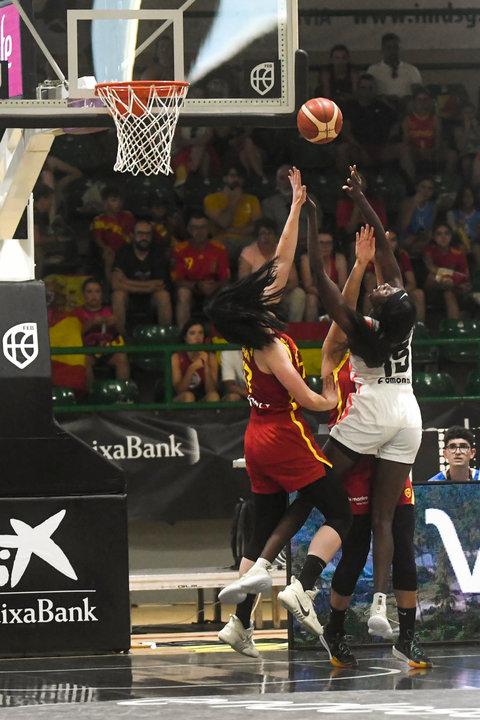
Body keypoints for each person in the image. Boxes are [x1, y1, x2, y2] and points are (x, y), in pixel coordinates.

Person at [206, 168, 352, 658]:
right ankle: (302, 585)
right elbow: (305, 398)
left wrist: (294, 206)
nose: (275, 282)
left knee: (269, 520)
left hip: (254, 438)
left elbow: (283, 261)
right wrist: (329, 399)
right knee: (338, 510)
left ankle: (239, 623)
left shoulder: (253, 329)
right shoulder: (270, 343)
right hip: (284, 433)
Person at [307, 165, 422, 642]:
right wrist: (362, 199)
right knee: (377, 526)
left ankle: (300, 578)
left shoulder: (361, 331)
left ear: (378, 307)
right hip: (407, 416)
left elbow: (324, 285)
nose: (385, 282)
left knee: (319, 482)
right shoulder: (403, 321)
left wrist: (314, 223)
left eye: (384, 287)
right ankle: (368, 611)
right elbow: (390, 260)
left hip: (374, 417)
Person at [319, 283, 431, 669]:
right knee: (355, 551)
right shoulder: (351, 361)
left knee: (403, 542)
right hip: (358, 461)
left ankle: (407, 638)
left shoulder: (396, 353)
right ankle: (333, 630)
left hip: (393, 460)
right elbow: (333, 336)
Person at [335, 73, 408, 180]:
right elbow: (346, 132)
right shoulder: (350, 107)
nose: (366, 91)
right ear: (358, 89)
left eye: (370, 88)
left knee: (403, 149)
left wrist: (389, 138)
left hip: (381, 148)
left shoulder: (383, 107)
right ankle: (344, 184)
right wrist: (361, 149)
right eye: (363, 88)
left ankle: (411, 186)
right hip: (357, 148)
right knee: (342, 149)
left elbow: (396, 123)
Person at [110, 218, 172, 335]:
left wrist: (126, 282)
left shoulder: (158, 252)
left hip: (151, 299)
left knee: (163, 295)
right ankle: (120, 340)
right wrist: (148, 287)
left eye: (148, 234)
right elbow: (115, 283)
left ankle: (166, 338)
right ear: (132, 235)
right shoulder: (123, 251)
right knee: (118, 295)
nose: (144, 237)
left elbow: (160, 284)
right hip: (129, 298)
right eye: (140, 233)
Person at [238, 218, 306, 322]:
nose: (266, 237)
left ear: (276, 237)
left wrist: (276, 293)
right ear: (257, 237)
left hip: (281, 293)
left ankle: (294, 330)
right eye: (262, 234)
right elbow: (243, 282)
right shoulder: (248, 252)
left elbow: (294, 281)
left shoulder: (283, 250)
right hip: (256, 295)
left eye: (270, 233)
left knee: (299, 294)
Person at [171, 211, 230, 329]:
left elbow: (225, 278)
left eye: (203, 227)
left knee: (226, 291)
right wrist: (197, 286)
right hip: (191, 289)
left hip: (213, 289)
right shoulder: (180, 250)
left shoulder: (219, 249)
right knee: (183, 293)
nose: (199, 231)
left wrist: (214, 286)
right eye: (195, 228)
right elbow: (177, 281)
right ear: (188, 229)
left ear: (208, 229)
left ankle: (224, 335)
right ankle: (184, 336)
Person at [71, 277, 130, 390]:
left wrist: (116, 322)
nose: (94, 295)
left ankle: (123, 392)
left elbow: (123, 332)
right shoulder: (78, 312)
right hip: (88, 351)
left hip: (109, 348)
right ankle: (92, 394)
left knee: (122, 357)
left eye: (97, 291)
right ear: (83, 295)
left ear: (102, 294)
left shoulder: (109, 310)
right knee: (84, 360)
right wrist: (90, 324)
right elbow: (74, 334)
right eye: (89, 292)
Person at [204, 165, 262, 270]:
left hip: (246, 241)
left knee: (261, 245)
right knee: (217, 249)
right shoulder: (212, 199)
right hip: (222, 241)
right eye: (232, 176)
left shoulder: (252, 199)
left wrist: (232, 230)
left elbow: (256, 227)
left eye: (239, 177)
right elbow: (224, 223)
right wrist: (234, 201)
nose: (236, 180)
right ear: (224, 178)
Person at [362, 229, 425, 322]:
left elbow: (412, 282)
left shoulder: (402, 255)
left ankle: (419, 328)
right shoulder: (372, 256)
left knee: (419, 294)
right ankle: (369, 326)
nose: (389, 244)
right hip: (380, 292)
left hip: (398, 290)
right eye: (386, 240)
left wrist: (397, 294)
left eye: (393, 240)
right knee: (367, 296)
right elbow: (369, 286)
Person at [401, 86, 457, 183]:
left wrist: (431, 151)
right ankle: (412, 184)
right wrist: (418, 151)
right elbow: (406, 142)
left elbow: (438, 141)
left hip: (432, 151)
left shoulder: (436, 120)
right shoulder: (407, 120)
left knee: (452, 154)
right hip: (414, 152)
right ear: (414, 102)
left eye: (425, 99)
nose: (422, 103)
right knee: (406, 154)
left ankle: (446, 183)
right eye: (419, 99)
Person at [422, 223, 471, 319]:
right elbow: (431, 268)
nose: (443, 237)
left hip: (453, 288)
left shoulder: (458, 254)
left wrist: (452, 281)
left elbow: (465, 276)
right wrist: (448, 278)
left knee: (448, 291)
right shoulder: (428, 251)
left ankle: (453, 325)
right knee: (431, 277)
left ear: (451, 236)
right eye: (439, 234)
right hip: (433, 289)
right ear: (433, 237)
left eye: (446, 234)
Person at [299, 229, 347, 321]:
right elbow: (308, 287)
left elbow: (343, 285)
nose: (325, 247)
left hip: (335, 295)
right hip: (317, 295)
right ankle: (311, 332)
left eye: (328, 243)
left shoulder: (339, 259)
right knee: (311, 299)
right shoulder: (306, 259)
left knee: (342, 298)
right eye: (321, 243)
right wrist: (326, 293)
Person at [90, 184, 135, 282]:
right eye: (114, 200)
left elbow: (132, 234)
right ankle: (110, 285)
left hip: (126, 249)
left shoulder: (128, 216)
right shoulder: (99, 220)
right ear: (105, 202)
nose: (118, 204)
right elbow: (98, 239)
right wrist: (105, 248)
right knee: (109, 256)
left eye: (120, 200)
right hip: (110, 250)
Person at [366, 33, 423, 109]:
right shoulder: (373, 70)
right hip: (381, 109)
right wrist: (384, 98)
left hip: (406, 109)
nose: (393, 51)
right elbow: (367, 94)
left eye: (396, 47)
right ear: (382, 50)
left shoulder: (412, 70)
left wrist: (408, 98)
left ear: (400, 49)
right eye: (389, 48)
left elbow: (419, 94)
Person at [171, 319, 220, 403]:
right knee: (189, 397)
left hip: (202, 397)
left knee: (214, 396)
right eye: (192, 333)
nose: (197, 337)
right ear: (185, 337)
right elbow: (179, 391)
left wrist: (206, 367)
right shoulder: (176, 357)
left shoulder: (211, 356)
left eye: (200, 333)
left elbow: (211, 390)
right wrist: (192, 368)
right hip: (180, 398)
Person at [315, 43, 359, 111]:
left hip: (349, 107)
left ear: (348, 59)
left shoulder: (353, 73)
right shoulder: (326, 73)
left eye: (343, 58)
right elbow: (326, 95)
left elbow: (356, 95)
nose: (340, 61)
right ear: (331, 60)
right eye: (337, 58)